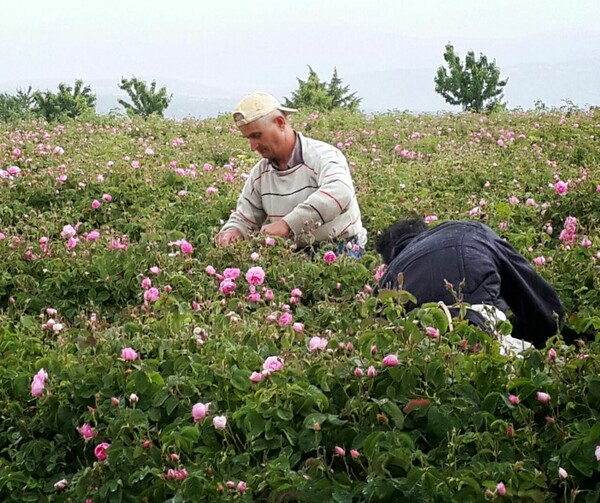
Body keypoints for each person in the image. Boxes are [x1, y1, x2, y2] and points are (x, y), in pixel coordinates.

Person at [376, 218, 565, 350]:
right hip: (488, 326)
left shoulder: (388, 280)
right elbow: (533, 298)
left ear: (388, 260)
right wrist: (550, 335)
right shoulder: (468, 231)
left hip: (432, 352)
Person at [215, 91, 367, 251]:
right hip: (292, 252)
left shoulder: (323, 156)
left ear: (280, 123)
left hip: (340, 248)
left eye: (257, 135)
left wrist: (287, 224)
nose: (253, 146)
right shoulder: (260, 173)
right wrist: (232, 231)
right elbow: (245, 216)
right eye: (249, 138)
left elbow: (340, 192)